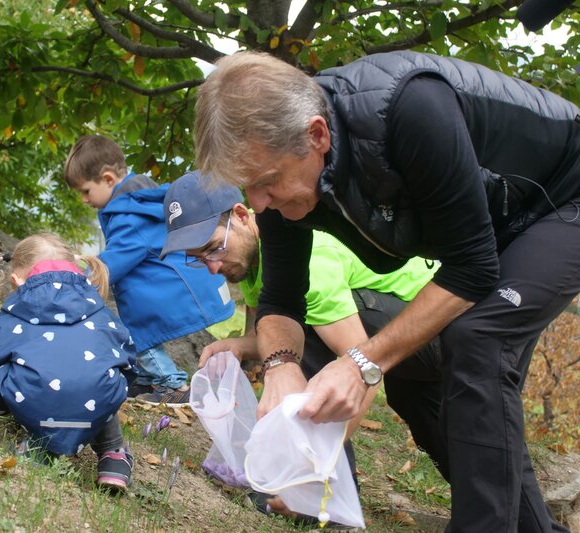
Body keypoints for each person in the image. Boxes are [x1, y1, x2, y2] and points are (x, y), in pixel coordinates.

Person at [194, 50, 580, 532]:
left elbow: (472, 269)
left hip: (564, 193)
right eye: (248, 187)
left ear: (318, 135)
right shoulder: (282, 177)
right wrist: (280, 367)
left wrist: (362, 364)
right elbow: (281, 300)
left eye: (268, 183)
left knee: (478, 337)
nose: (258, 203)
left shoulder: (409, 110)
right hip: (493, 218)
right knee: (419, 377)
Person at [161, 170, 446, 483]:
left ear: (242, 215)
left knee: (300, 325)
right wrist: (237, 347)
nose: (212, 267)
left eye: (214, 248)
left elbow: (365, 368)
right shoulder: (251, 256)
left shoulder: (305, 262)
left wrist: (319, 465)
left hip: (439, 331)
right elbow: (264, 335)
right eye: (199, 259)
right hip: (402, 341)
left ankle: (322, 479)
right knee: (439, 426)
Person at [63, 135, 235, 407]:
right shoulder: (139, 200)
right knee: (137, 327)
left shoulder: (129, 216)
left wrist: (78, 282)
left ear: (108, 179)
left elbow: (115, 261)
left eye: (85, 191)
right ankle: (146, 376)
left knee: (137, 333)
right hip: (168, 285)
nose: (84, 200)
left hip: (164, 291)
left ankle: (172, 384)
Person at [0, 232, 137, 491]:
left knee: (22, 372)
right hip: (98, 403)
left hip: (37, 403)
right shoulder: (102, 313)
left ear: (16, 281)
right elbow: (127, 357)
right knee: (101, 376)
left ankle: (40, 445)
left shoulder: (10, 317)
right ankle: (112, 456)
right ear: (80, 269)